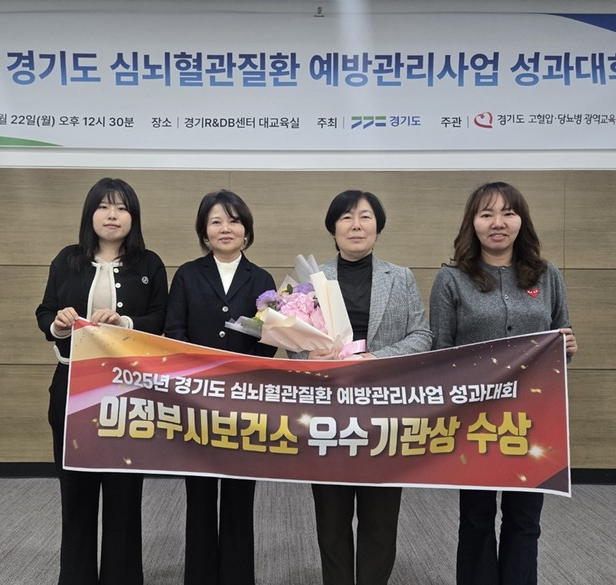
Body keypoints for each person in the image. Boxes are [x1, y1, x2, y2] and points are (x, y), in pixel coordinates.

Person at [428, 181, 578, 585]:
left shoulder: (547, 275)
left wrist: (567, 345)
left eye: (508, 213)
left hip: (533, 419)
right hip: (475, 420)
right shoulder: (451, 279)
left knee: (525, 519)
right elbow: (440, 353)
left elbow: (561, 337)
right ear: (473, 223)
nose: (498, 222)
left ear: (521, 221)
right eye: (487, 214)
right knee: (476, 518)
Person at [35, 178, 168, 585]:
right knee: (76, 493)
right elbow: (44, 312)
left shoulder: (149, 264)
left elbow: (161, 320)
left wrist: (125, 322)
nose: (113, 216)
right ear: (90, 214)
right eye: (104, 207)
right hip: (73, 389)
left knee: (124, 493)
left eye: (122, 208)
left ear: (134, 217)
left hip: (129, 393)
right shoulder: (67, 260)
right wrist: (58, 324)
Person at [298, 189, 433, 585]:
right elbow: (294, 344)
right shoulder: (313, 279)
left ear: (377, 227)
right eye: (346, 218)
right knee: (331, 518)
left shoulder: (400, 277)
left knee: (380, 519)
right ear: (333, 229)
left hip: (385, 414)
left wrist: (376, 358)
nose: (355, 225)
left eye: (365, 217)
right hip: (329, 414)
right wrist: (308, 357)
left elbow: (422, 335)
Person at [164, 189, 277, 585]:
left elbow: (269, 340)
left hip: (245, 403)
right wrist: (199, 377)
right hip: (196, 400)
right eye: (216, 221)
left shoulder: (261, 279)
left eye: (234, 220)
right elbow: (174, 332)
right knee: (199, 496)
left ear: (246, 230)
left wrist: (243, 375)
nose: (225, 228)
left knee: (239, 497)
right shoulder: (187, 274)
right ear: (204, 231)